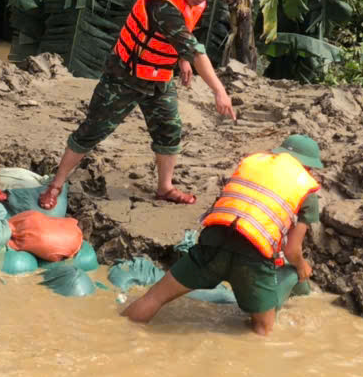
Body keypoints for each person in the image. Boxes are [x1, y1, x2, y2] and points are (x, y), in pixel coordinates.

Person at [39, 0, 237, 210]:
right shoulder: (162, 4)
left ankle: (165, 188)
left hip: (160, 78)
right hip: (125, 77)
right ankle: (55, 184)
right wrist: (219, 91)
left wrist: (182, 60)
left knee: (169, 130)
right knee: (92, 129)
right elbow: (194, 48)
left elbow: (183, 36)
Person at [123, 135, 324, 335]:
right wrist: (302, 266)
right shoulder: (306, 189)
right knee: (263, 330)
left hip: (212, 241)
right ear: (308, 166)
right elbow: (291, 250)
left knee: (154, 298)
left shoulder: (252, 164)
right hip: (252, 256)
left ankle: (118, 331)